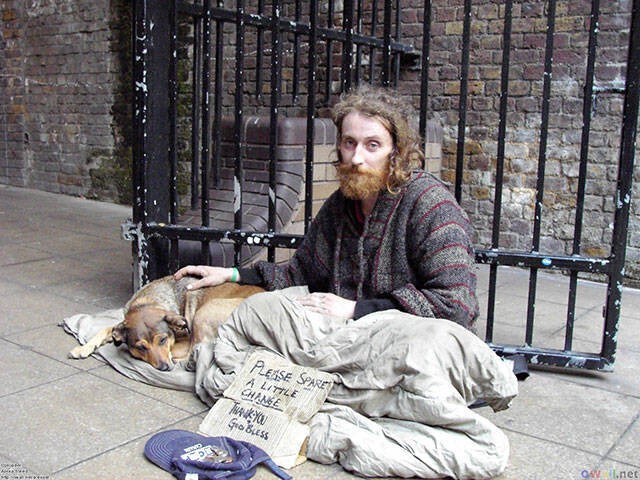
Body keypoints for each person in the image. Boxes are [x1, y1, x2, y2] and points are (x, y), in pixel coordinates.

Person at [175, 86, 479, 330]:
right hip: (348, 335)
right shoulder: (341, 205)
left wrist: (355, 309)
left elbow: (456, 305)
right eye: (349, 143)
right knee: (256, 318)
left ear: (396, 152)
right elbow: (300, 272)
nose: (357, 158)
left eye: (373, 145)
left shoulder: (431, 205)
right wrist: (231, 275)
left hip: (416, 339)